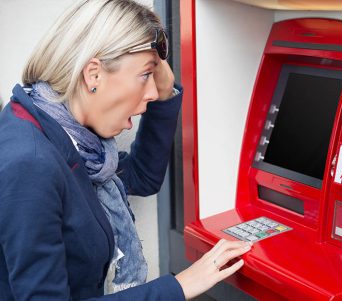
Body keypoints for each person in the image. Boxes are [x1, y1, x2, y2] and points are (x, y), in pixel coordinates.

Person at [0, 0, 252, 300]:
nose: (153, 92)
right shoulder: (30, 162)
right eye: (146, 75)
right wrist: (180, 285)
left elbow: (142, 176)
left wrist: (165, 86)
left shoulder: (68, 133)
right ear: (93, 74)